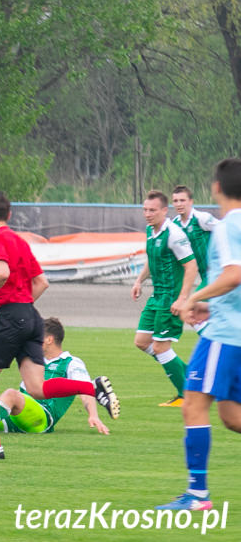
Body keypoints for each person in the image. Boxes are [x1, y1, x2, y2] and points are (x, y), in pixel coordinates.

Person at [0, 190, 119, 459]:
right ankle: (90, 387)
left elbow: (1, 273)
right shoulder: (20, 242)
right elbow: (42, 282)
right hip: (32, 317)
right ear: (10, 214)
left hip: (13, 315)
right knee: (36, 387)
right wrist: (22, 309)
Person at [157, 159, 241, 511]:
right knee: (232, 416)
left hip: (224, 337)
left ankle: (197, 495)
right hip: (231, 327)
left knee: (192, 404)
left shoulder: (226, 226)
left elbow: (234, 274)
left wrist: (195, 297)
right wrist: (215, 304)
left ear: (216, 188)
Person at [132, 190, 199, 407]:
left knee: (161, 348)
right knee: (142, 342)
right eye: (145, 210)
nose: (147, 214)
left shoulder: (174, 234)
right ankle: (189, 375)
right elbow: (151, 260)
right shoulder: (151, 231)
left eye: (152, 210)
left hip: (170, 299)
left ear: (164, 210)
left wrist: (182, 299)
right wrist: (139, 281)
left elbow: (191, 266)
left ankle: (185, 395)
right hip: (156, 297)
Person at [172, 185, 219, 288]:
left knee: (195, 302)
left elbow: (225, 230)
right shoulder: (174, 224)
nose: (179, 204)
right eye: (175, 201)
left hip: (216, 272)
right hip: (204, 275)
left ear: (191, 201)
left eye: (182, 200)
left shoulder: (201, 218)